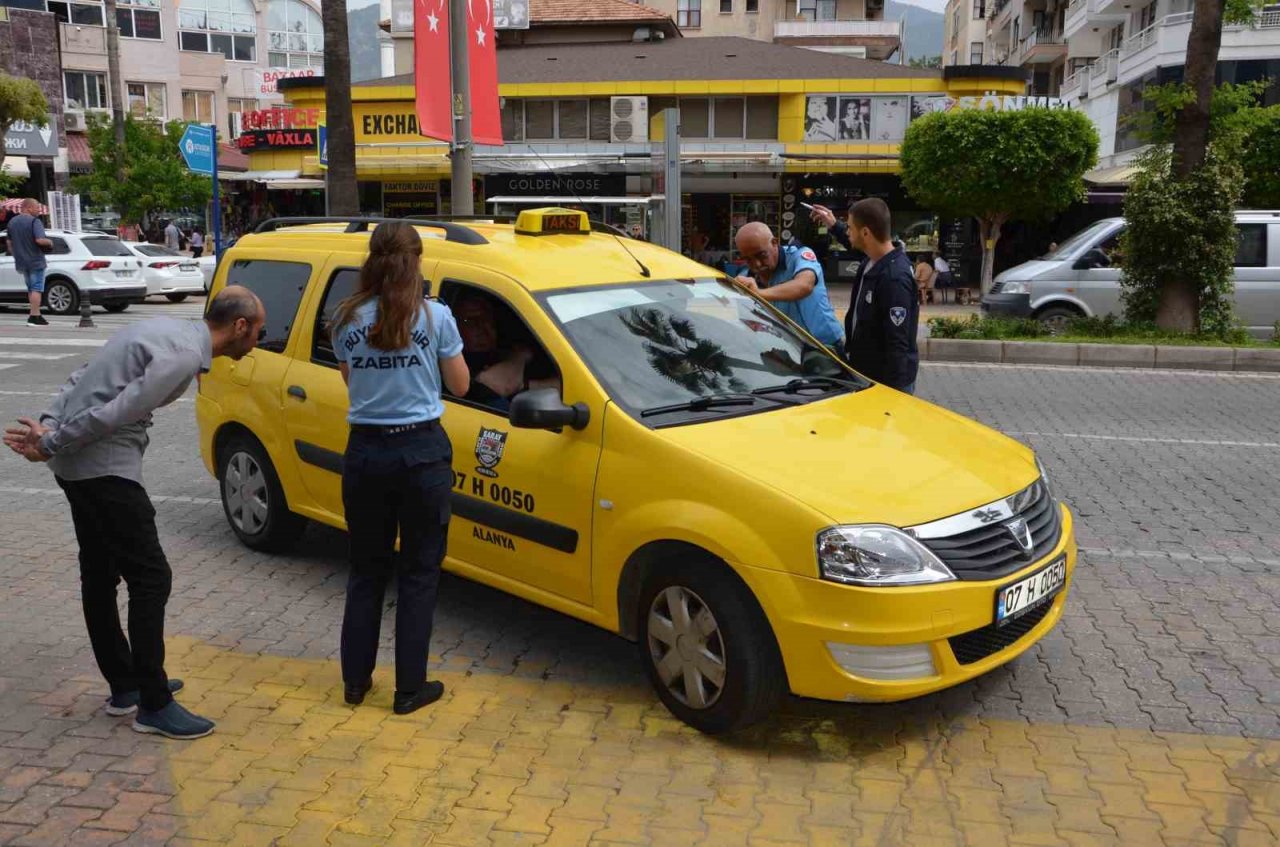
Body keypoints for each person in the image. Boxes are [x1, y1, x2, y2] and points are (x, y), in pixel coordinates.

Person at [3, 286, 265, 739]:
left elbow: (84, 375)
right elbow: (116, 412)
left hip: (79, 465)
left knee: (101, 572)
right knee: (151, 578)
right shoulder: (184, 355)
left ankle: (128, 685)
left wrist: (50, 426)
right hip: (104, 468)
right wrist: (49, 441)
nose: (258, 342)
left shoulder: (164, 329)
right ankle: (154, 702)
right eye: (258, 333)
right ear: (239, 327)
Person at [330, 222, 470, 716]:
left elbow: (352, 382)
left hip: (365, 452)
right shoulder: (435, 317)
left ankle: (354, 682)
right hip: (420, 453)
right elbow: (461, 384)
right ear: (417, 260)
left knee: (365, 570)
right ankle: (410, 689)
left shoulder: (345, 317)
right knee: (418, 574)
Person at [835, 198, 920, 394]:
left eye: (849, 227)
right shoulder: (872, 261)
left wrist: (891, 395)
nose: (847, 232)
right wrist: (833, 225)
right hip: (866, 374)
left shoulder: (894, 278)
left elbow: (897, 342)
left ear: (865, 232)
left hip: (885, 383)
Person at [732, 222, 844, 350]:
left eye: (761, 255)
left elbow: (804, 285)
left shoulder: (800, 256)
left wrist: (759, 294)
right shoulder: (746, 275)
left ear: (774, 243)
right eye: (748, 259)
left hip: (825, 347)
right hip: (786, 350)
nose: (756, 264)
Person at [453, 291, 560, 411]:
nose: (483, 328)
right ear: (454, 326)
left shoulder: (507, 351)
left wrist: (526, 385)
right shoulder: (455, 362)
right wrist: (520, 358)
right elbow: (493, 384)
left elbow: (564, 387)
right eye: (471, 321)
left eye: (487, 319)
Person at [7, 199, 53, 327]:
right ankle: (34, 316)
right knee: (37, 288)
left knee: (31, 289)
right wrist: (49, 242)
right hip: (35, 260)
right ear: (28, 208)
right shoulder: (34, 221)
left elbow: (9, 244)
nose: (38, 210)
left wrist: (16, 255)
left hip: (21, 261)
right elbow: (39, 240)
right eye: (36, 207)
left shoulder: (12, 222)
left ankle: (36, 314)